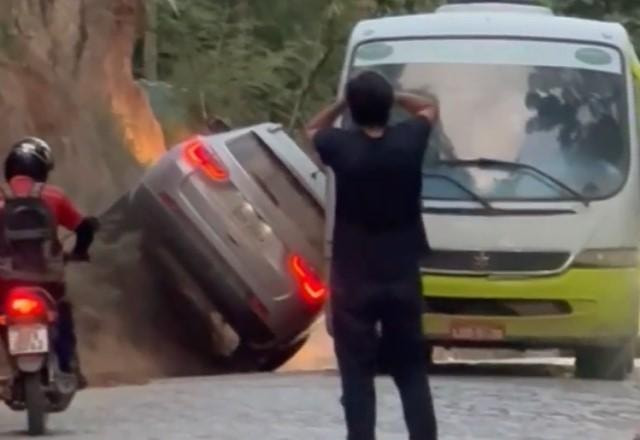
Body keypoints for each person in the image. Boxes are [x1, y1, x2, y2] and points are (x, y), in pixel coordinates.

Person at [306, 71, 439, 440]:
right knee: (412, 372)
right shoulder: (409, 141)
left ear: (354, 110)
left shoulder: (341, 147)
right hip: (401, 276)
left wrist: (343, 101)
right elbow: (430, 107)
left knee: (357, 375)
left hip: (354, 280)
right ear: (385, 107)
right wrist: (394, 95)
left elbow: (312, 128)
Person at [0, 137, 97, 387]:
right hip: (48, 279)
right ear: (42, 168)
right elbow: (84, 227)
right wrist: (80, 252)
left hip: (5, 281)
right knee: (61, 311)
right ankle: (68, 366)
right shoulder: (54, 196)